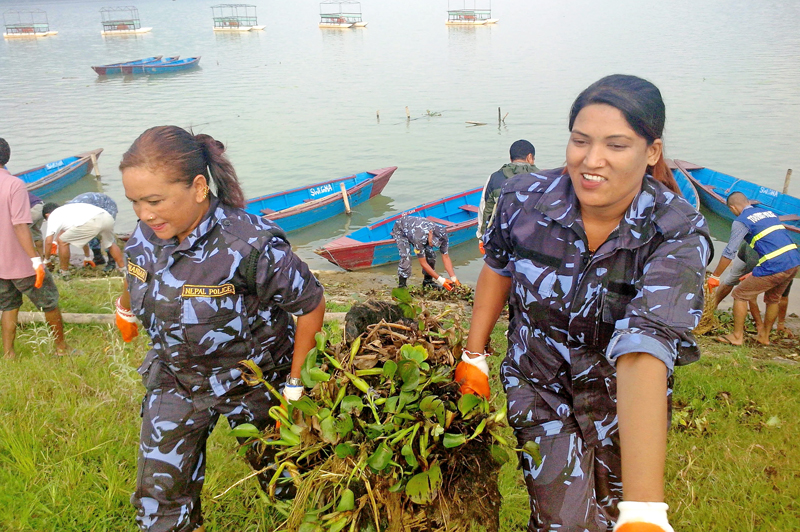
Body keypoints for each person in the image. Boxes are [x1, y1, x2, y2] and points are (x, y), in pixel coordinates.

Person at [457, 75, 711, 532]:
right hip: (539, 386)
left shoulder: (677, 232)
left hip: (623, 404)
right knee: (564, 521)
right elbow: (498, 267)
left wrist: (646, 509)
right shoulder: (522, 200)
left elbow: (646, 345)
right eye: (580, 141)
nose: (592, 161)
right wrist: (473, 354)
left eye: (616, 145)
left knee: (615, 514)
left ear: (651, 151)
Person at [116, 125, 326, 532]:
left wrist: (296, 384)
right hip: (177, 378)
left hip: (256, 383)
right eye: (135, 202)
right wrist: (125, 309)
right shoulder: (146, 233)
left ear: (198, 187)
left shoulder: (249, 245)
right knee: (158, 498)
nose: (144, 214)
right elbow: (135, 269)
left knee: (292, 483)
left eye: (154, 200)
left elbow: (311, 305)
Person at [0, 137, 69, 358]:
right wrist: (36, 260)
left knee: (9, 305)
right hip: (21, 262)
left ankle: (9, 353)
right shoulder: (14, 185)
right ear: (7, 157)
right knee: (49, 302)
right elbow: (20, 225)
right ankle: (61, 348)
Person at [707, 191, 800, 346]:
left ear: (732, 208)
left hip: (775, 265)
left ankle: (737, 336)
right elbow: (773, 242)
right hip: (793, 261)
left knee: (740, 294)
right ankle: (764, 337)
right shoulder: (768, 212)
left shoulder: (741, 221)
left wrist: (715, 276)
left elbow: (730, 251)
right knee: (773, 299)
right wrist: (757, 270)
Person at [476, 139, 539, 250]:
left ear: (511, 159)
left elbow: (485, 210)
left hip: (504, 242)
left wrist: (482, 238)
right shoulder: (544, 178)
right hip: (535, 241)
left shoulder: (495, 178)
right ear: (530, 157)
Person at [42, 201, 125, 277]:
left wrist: (47, 260)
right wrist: (87, 257)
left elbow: (48, 242)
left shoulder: (53, 215)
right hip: (106, 216)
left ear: (47, 215)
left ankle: (64, 272)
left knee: (62, 241)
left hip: (92, 221)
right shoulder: (69, 209)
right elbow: (82, 236)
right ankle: (123, 269)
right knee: (110, 243)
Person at [391, 215, 460, 290]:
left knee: (431, 256)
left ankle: (428, 282)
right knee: (406, 257)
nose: (433, 245)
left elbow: (446, 257)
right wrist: (441, 280)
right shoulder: (419, 237)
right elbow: (423, 263)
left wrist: (454, 278)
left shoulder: (443, 235)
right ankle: (402, 286)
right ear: (430, 233)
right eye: (433, 242)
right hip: (401, 229)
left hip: (416, 229)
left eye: (436, 244)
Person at [67, 192, 119, 269]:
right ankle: (98, 258)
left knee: (105, 233)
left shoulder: (75, 213)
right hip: (92, 209)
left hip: (106, 205)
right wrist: (87, 257)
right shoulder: (68, 215)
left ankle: (112, 262)